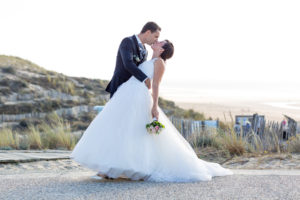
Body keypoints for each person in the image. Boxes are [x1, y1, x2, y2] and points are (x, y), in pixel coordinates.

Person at [70, 39, 232, 182]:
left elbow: (155, 85)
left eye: (160, 42)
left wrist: (154, 106)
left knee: (135, 131)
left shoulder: (159, 63)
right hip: (127, 94)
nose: (157, 41)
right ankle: (111, 168)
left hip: (139, 98)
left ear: (162, 50)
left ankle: (130, 167)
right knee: (121, 128)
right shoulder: (149, 58)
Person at [105, 22, 161, 98]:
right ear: (148, 32)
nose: (156, 40)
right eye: (156, 36)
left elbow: (142, 68)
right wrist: (145, 78)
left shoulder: (145, 51)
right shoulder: (128, 41)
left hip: (132, 89)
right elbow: (128, 63)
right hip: (120, 86)